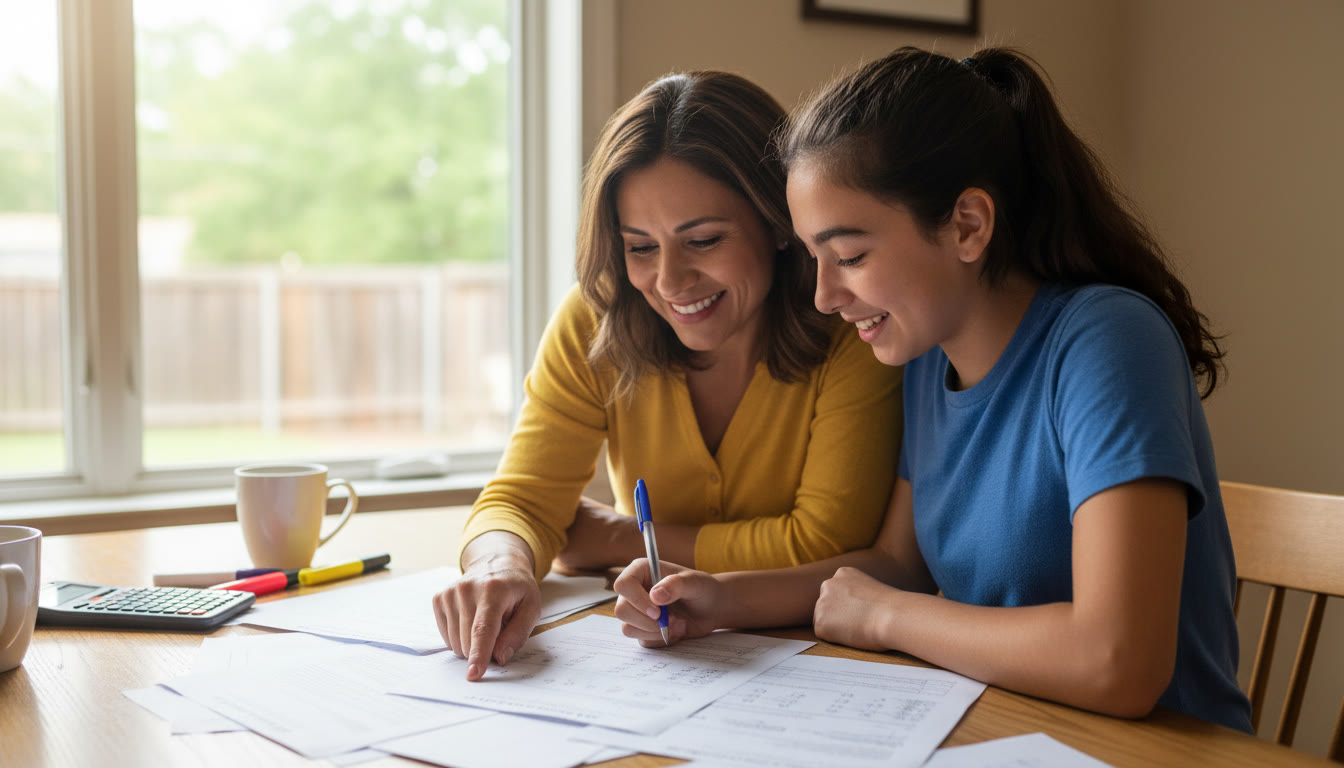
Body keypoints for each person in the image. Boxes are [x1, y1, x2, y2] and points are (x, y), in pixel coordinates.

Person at [613, 47, 1254, 733]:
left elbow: (1117, 660)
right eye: (815, 260)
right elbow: (898, 564)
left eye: (851, 256)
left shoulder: (1107, 342)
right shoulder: (923, 360)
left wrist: (889, 618)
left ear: (968, 225)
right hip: (1003, 732)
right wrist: (721, 601)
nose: (826, 297)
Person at [434, 71, 904, 681]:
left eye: (703, 240)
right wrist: (499, 565)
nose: (670, 281)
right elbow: (521, 501)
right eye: (641, 247)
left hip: (826, 665)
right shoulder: (593, 321)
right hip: (670, 666)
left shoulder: (853, 329)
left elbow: (823, 544)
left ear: (778, 223)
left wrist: (614, 538)